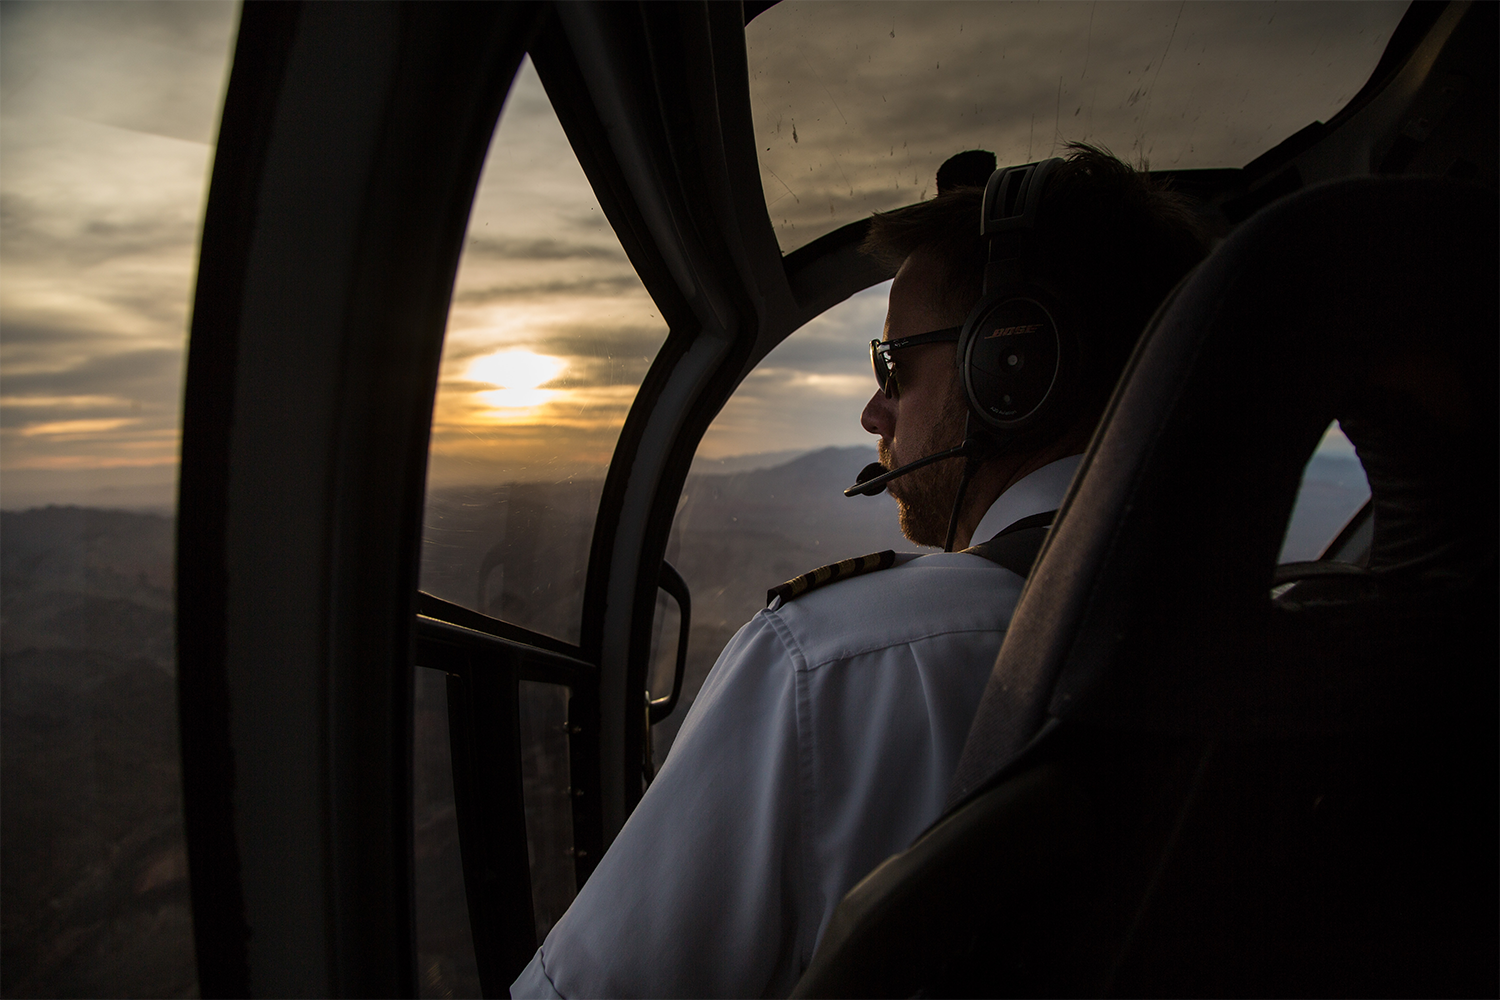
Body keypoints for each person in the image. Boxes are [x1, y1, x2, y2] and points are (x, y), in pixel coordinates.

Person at [511, 144, 1208, 1000]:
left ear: (1015, 369)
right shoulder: (1295, 646)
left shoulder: (829, 663)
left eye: (893, 366)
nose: (874, 412)